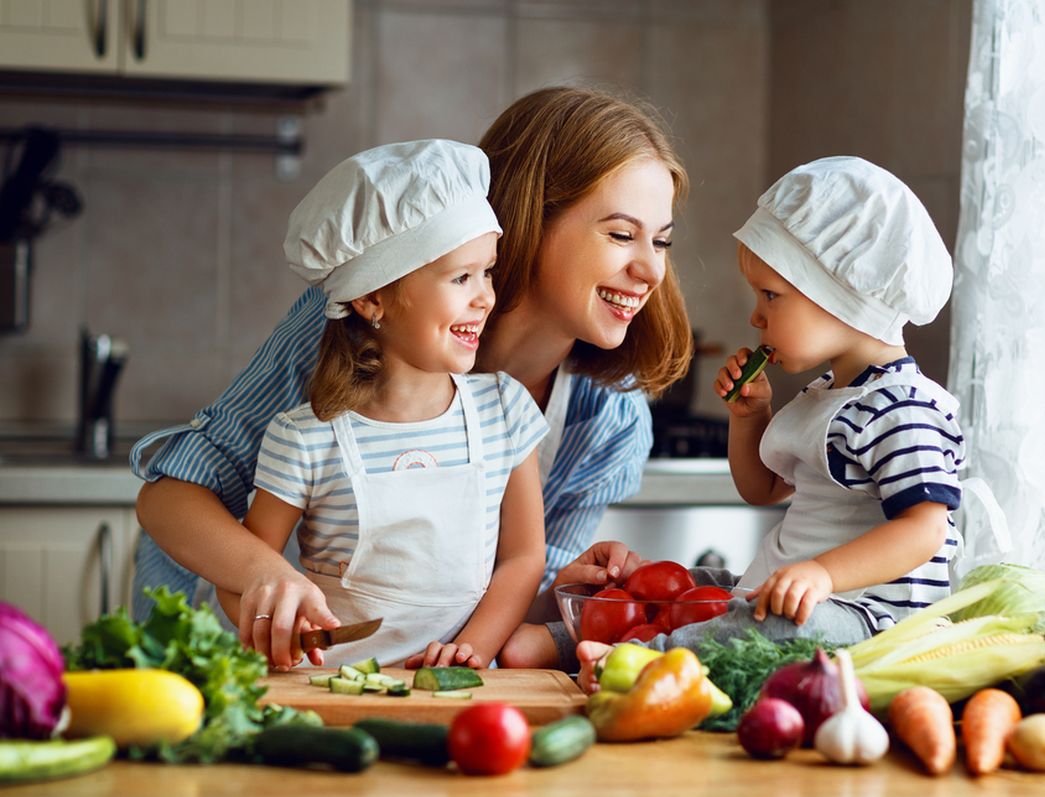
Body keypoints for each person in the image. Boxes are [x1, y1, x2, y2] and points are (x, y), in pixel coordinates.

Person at [129, 87, 692, 668]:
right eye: (622, 234)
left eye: (664, 241)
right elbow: (172, 495)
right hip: (237, 657)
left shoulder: (608, 420)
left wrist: (575, 598)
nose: (651, 269)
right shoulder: (359, 320)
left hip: (408, 689)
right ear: (529, 217)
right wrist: (266, 575)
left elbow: (509, 614)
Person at [572, 156, 966, 690]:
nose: (756, 317)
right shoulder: (827, 395)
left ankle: (643, 662)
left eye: (771, 296)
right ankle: (561, 636)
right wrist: (750, 416)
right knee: (695, 585)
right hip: (802, 593)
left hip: (865, 617)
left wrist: (824, 575)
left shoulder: (904, 408)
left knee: (772, 622)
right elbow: (762, 490)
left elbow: (925, 529)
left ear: (841, 293)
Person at [211, 140, 550, 670]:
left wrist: (471, 652)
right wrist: (275, 626)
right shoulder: (305, 438)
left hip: (453, 691)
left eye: (488, 272)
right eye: (461, 277)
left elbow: (524, 557)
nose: (485, 296)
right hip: (326, 689)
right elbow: (243, 580)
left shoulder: (504, 411)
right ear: (372, 300)